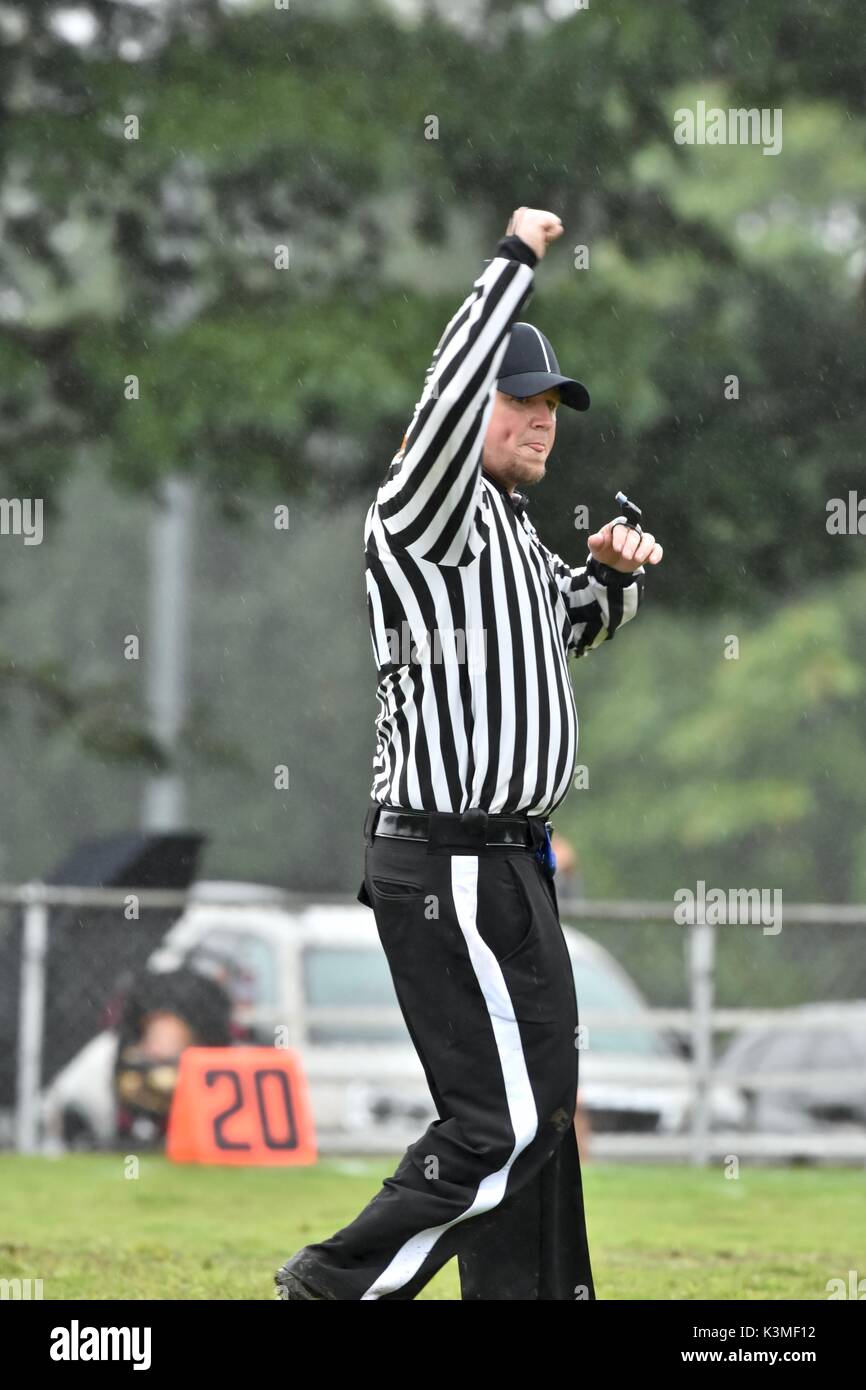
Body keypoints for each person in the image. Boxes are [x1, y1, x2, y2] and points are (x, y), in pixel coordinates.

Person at [275, 206, 663, 1301]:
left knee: (540, 1109)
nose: (542, 423)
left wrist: (611, 578)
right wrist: (514, 258)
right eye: (521, 402)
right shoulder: (427, 508)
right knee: (498, 1124)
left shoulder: (503, 529)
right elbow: (446, 387)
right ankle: (329, 1289)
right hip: (448, 859)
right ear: (466, 415)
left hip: (507, 862)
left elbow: (559, 630)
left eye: (551, 407)